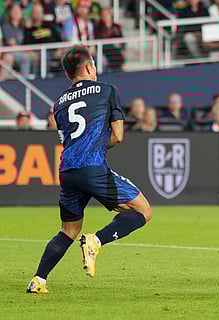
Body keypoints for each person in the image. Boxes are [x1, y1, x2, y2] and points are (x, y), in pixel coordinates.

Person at [26, 45, 152, 294]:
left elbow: (67, 138)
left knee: (69, 229)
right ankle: (97, 240)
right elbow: (117, 136)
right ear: (88, 67)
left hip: (67, 171)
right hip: (92, 166)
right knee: (143, 211)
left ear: (69, 74)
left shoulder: (59, 103)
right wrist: (97, 143)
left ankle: (39, 280)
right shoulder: (107, 91)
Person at [2, 2, 31, 77]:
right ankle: (25, 78)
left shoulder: (22, 27)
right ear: (10, 13)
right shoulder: (7, 26)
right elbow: (12, 43)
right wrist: (26, 51)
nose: (16, 13)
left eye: (18, 11)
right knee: (25, 57)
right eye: (14, 11)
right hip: (11, 51)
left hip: (20, 51)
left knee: (35, 55)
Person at [94, 8, 125, 72]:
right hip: (105, 51)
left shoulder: (116, 27)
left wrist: (119, 45)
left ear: (111, 16)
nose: (105, 17)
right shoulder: (98, 28)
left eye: (106, 15)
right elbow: (97, 42)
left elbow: (122, 41)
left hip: (116, 52)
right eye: (103, 15)